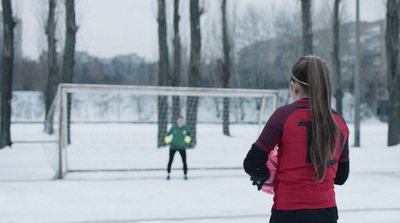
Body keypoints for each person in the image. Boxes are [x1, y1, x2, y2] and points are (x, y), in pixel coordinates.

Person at [243, 56, 350, 223]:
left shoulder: (283, 116)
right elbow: (341, 177)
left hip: (289, 212)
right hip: (326, 213)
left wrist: (265, 175)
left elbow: (251, 163)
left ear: (294, 87)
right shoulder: (339, 122)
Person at [165, 116, 191, 180]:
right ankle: (168, 174)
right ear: (177, 121)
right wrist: (167, 139)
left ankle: (185, 174)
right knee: (170, 160)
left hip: (182, 147)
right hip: (173, 147)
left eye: (182, 121)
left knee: (184, 161)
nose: (180, 122)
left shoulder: (186, 128)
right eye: (179, 121)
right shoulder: (173, 128)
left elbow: (189, 134)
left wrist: (188, 138)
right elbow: (168, 134)